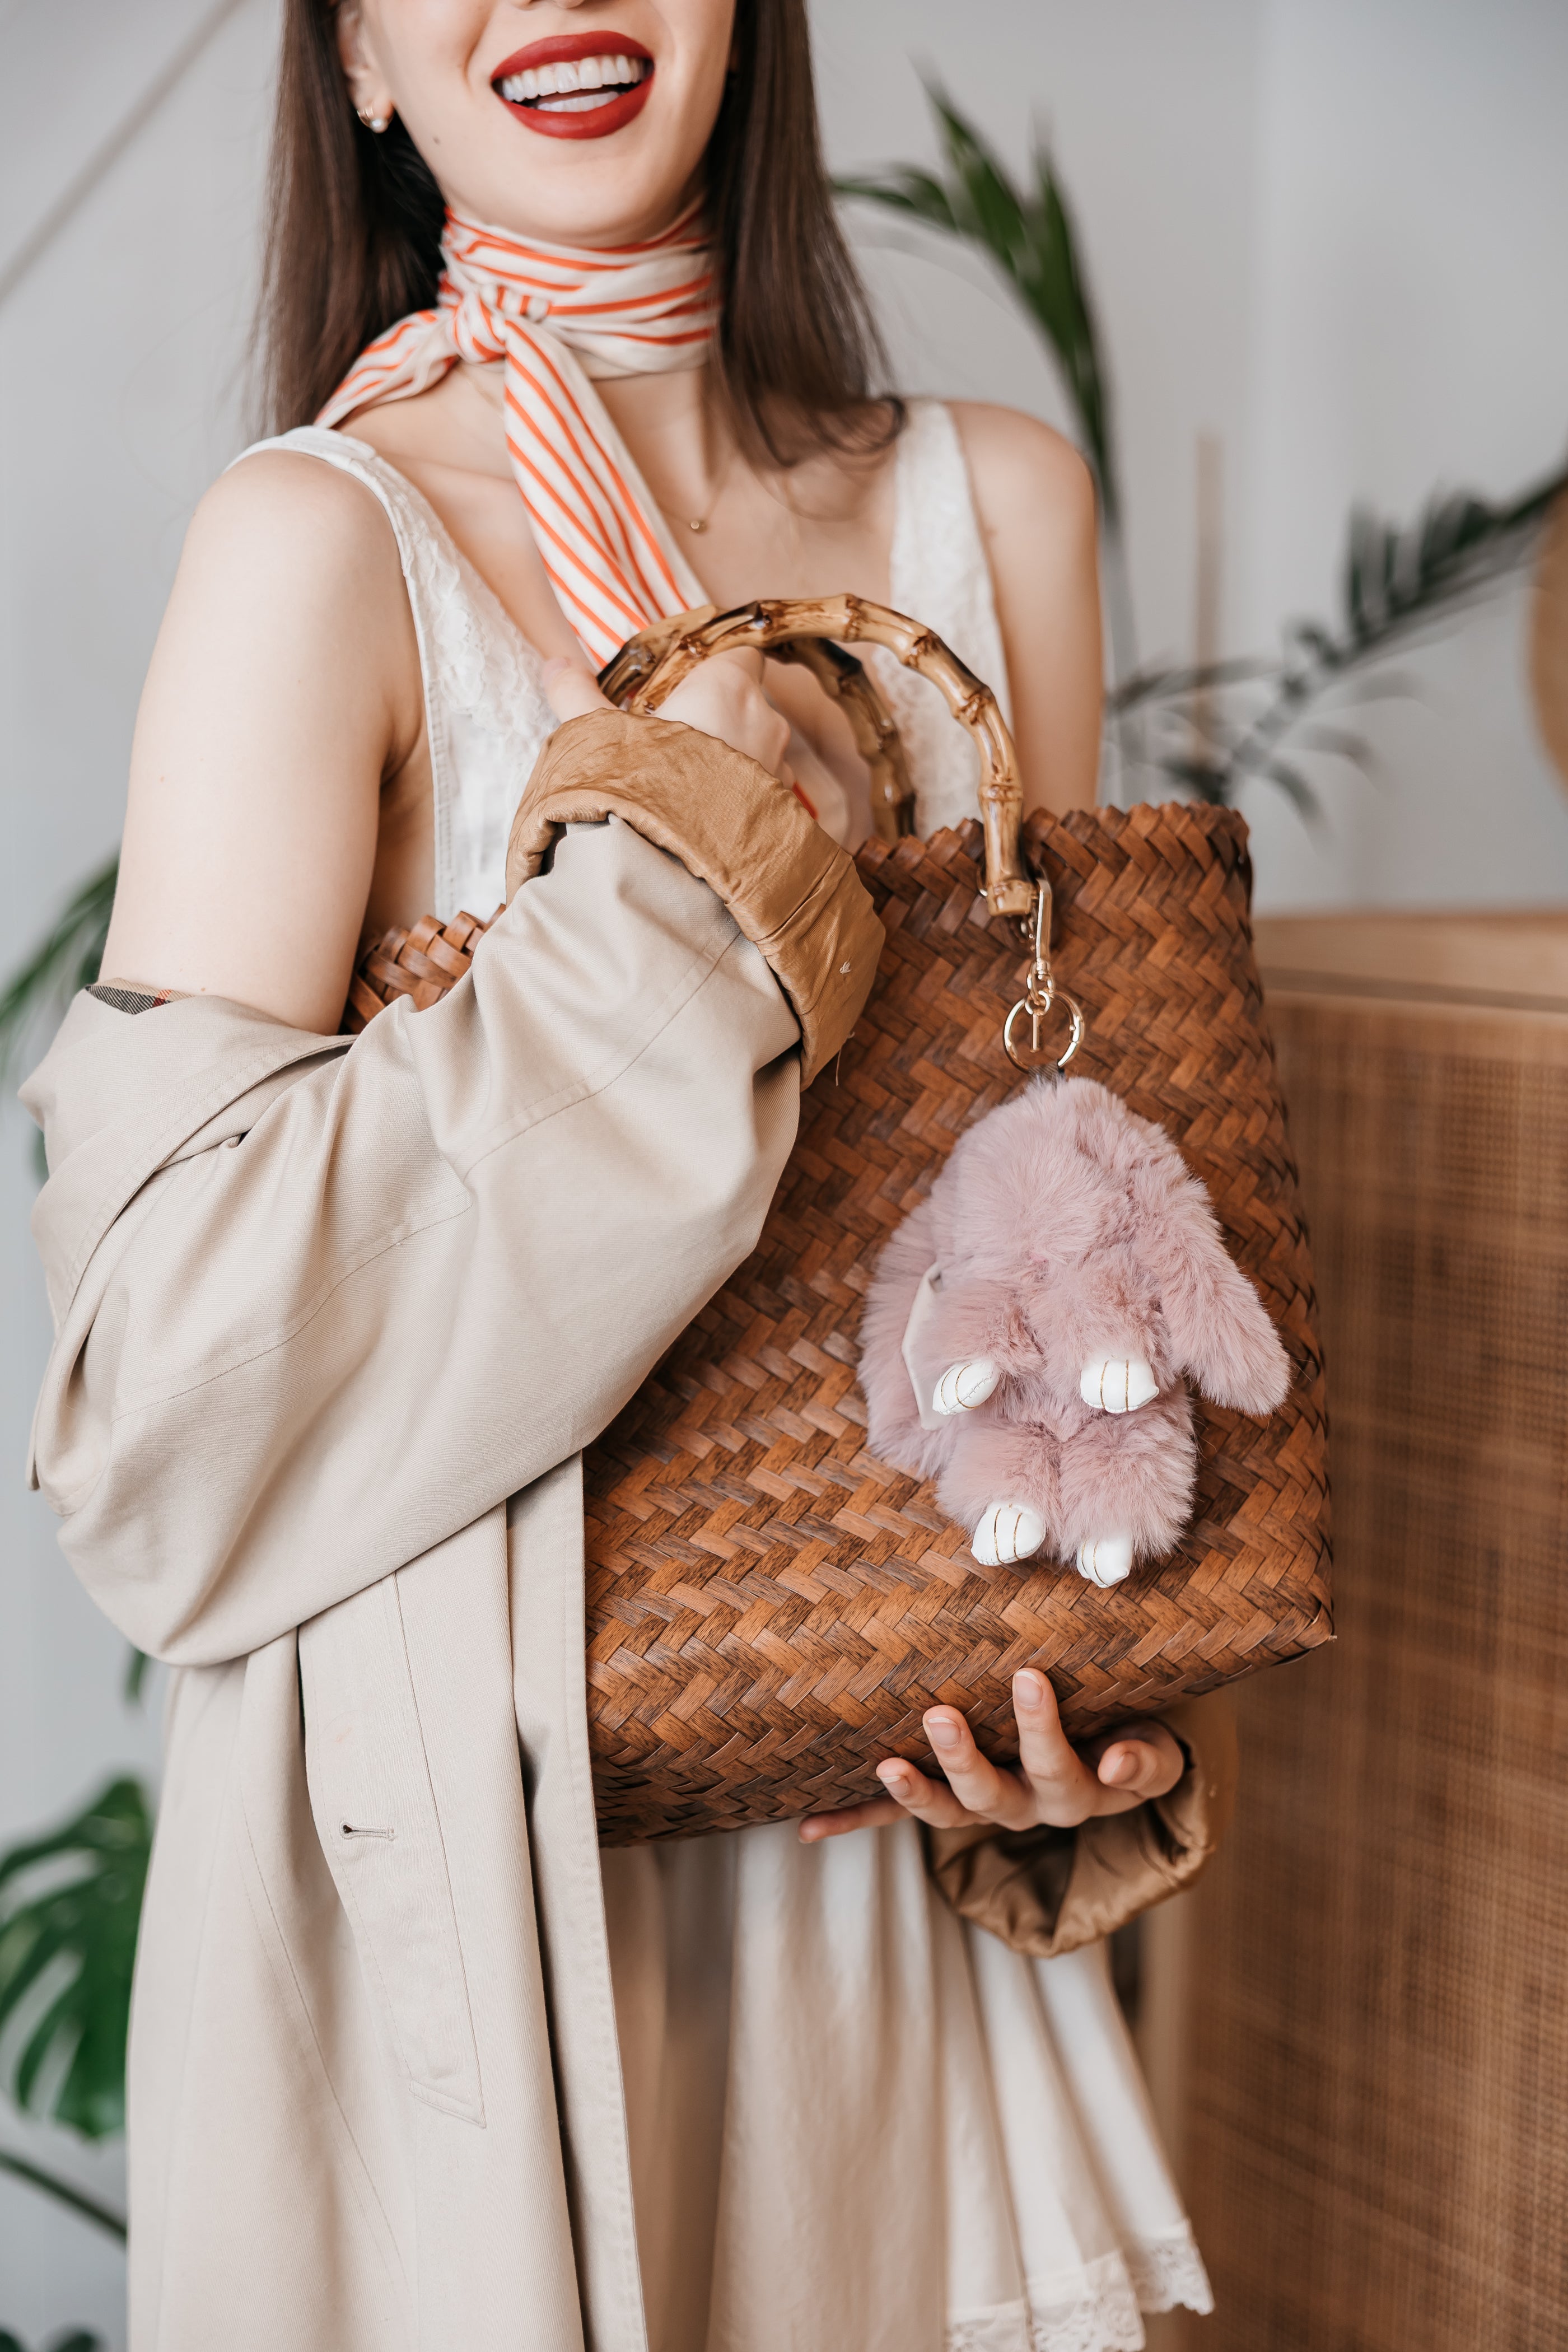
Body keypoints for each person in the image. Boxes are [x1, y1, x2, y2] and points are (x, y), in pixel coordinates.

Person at [22, 4, 1235, 2346]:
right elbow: (160, 1416)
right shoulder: (319, 544)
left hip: (870, 1895)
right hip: (468, 1919)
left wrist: (1073, 1712)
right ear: (357, 57)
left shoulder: (997, 514)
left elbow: (1060, 1206)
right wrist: (700, 880)